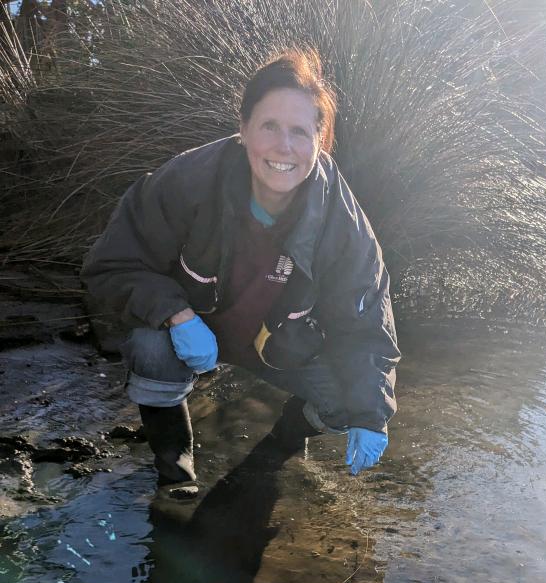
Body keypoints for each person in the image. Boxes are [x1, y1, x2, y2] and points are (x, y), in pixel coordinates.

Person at [82, 48, 399, 499]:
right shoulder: (188, 179)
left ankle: (279, 449)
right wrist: (178, 316)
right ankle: (176, 474)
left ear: (320, 140)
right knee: (151, 346)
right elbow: (113, 264)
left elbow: (366, 324)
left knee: (350, 403)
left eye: (300, 132)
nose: (283, 147)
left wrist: (372, 415)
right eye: (269, 126)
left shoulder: (343, 222)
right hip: (196, 331)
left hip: (278, 345)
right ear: (245, 129)